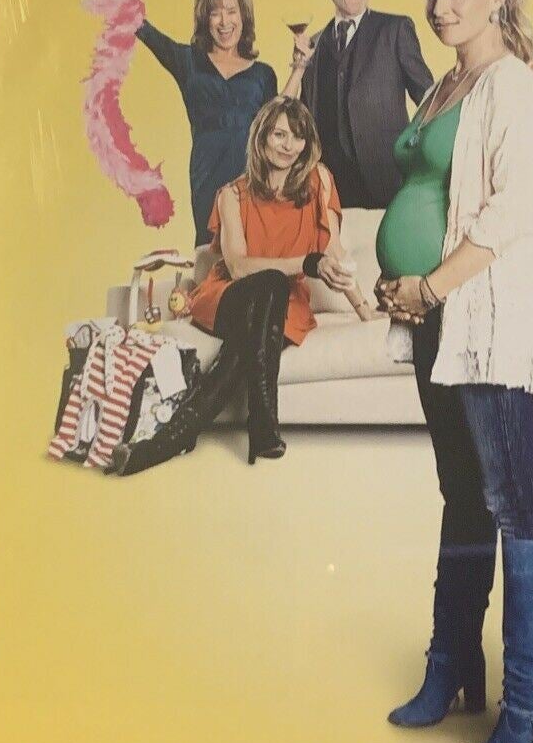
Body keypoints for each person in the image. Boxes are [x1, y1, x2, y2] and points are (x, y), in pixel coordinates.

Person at [376, 0, 533, 743]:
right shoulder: (446, 82)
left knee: (516, 505)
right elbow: (427, 195)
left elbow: (514, 208)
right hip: (435, 317)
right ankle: (451, 668)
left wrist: (431, 285)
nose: (439, 6)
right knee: (462, 494)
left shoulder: (510, 82)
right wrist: (401, 285)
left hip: (481, 315)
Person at [115, 98, 360, 471]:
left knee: (247, 338)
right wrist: (306, 263)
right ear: (262, 137)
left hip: (283, 304)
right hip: (230, 297)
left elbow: (335, 252)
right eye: (279, 135)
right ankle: (262, 427)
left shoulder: (319, 181)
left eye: (298, 137)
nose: (289, 146)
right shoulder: (232, 194)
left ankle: (170, 440)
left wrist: (363, 307)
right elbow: (239, 267)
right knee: (271, 283)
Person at [284, 0, 434, 208]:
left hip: (389, 181)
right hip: (331, 189)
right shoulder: (313, 45)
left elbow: (430, 98)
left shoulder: (394, 29)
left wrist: (421, 156)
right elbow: (303, 119)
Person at [136, 0, 278, 245]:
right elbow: (147, 33)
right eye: (215, 13)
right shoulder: (188, 61)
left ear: (244, 18)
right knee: (210, 248)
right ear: (205, 20)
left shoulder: (263, 74)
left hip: (252, 175)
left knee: (253, 250)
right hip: (207, 174)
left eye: (232, 11)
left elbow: (276, 122)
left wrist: (299, 68)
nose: (224, 22)